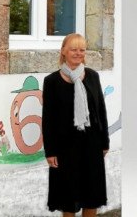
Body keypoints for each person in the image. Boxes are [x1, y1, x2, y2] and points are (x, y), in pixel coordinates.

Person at [42, 33, 109, 217]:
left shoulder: (93, 76)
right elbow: (48, 119)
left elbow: (100, 110)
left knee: (92, 193)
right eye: (74, 49)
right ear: (63, 51)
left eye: (82, 49)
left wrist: (105, 142)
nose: (78, 53)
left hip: (92, 144)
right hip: (65, 148)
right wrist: (50, 151)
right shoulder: (52, 81)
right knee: (67, 196)